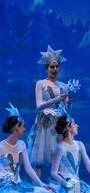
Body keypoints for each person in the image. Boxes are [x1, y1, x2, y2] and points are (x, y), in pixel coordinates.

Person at [28, 45, 70, 178]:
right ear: (46, 68)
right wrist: (56, 99)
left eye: (57, 66)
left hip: (58, 124)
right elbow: (39, 105)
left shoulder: (63, 86)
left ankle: (58, 185)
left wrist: (68, 104)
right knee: (39, 158)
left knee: (59, 157)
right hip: (44, 122)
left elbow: (65, 111)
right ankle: (38, 186)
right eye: (52, 67)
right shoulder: (41, 83)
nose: (55, 69)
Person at [0, 103, 55, 193]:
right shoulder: (1, 146)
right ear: (17, 127)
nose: (24, 129)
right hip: (3, 188)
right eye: (23, 126)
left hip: (16, 186)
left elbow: (28, 168)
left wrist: (41, 184)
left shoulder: (21, 145)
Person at [51, 112, 90, 193]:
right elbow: (53, 173)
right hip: (66, 184)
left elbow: (89, 166)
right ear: (69, 128)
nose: (77, 126)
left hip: (76, 182)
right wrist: (67, 184)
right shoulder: (60, 148)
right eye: (74, 124)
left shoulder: (79, 144)